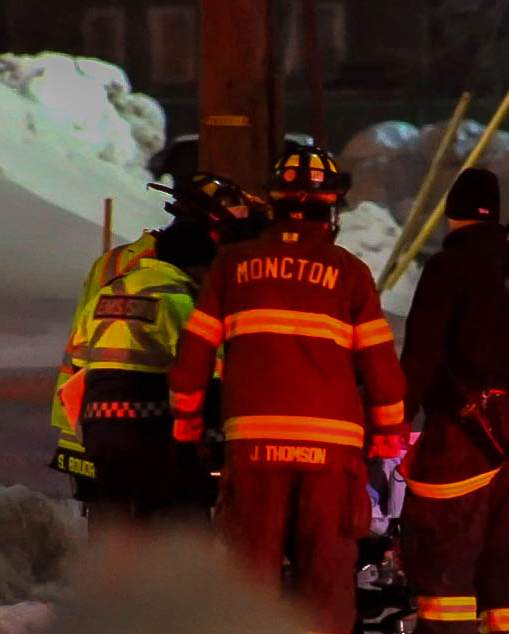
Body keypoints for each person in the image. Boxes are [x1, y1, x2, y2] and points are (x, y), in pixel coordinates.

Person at [167, 143, 406, 634]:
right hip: (332, 454)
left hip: (254, 448)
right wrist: (388, 433)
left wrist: (187, 424)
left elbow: (193, 359)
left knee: (251, 575)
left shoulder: (231, 265)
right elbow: (382, 371)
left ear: (273, 203)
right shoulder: (351, 273)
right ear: (330, 210)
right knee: (326, 577)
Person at [398, 168, 509, 634]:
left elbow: (421, 354)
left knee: (449, 568)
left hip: (459, 442)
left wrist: (395, 422)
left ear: (451, 215)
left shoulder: (446, 269)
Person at [48, 173, 267, 502]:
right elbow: (207, 373)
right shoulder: (182, 298)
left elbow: (78, 358)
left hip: (92, 431)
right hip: (151, 434)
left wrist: (73, 441)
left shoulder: (115, 273)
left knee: (113, 533)